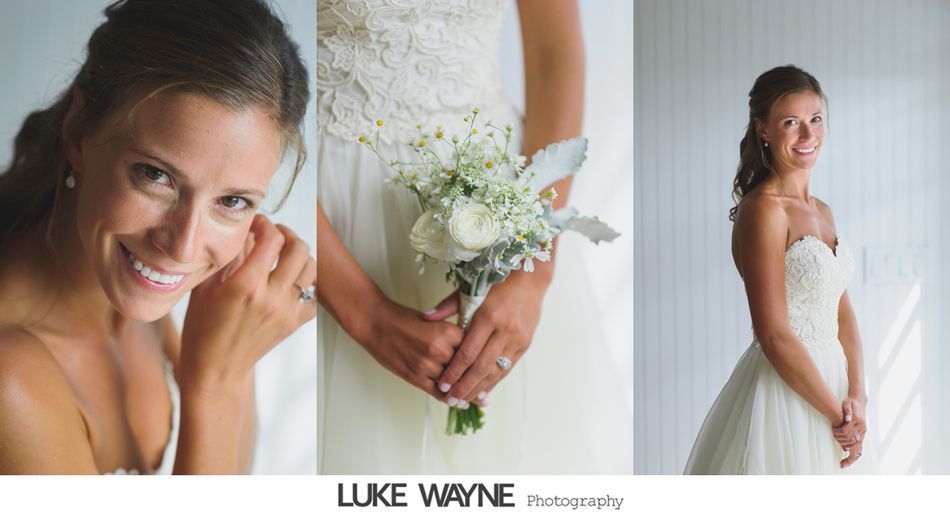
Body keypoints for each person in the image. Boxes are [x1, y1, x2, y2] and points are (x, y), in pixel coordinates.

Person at [0, 0, 315, 474]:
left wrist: (230, 357)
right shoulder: (10, 381)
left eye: (233, 202)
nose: (183, 247)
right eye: (155, 175)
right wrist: (215, 387)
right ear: (80, 133)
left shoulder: (129, 295)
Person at [316, 0, 630, 473]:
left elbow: (554, 54)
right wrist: (365, 313)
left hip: (503, 193)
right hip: (328, 203)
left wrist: (532, 270)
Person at [684, 66, 870, 474]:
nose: (808, 135)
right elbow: (772, 333)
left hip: (836, 390)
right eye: (791, 123)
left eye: (815, 120)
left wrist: (857, 393)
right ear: (763, 130)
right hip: (789, 393)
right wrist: (836, 415)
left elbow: (842, 311)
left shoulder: (822, 211)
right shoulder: (763, 210)